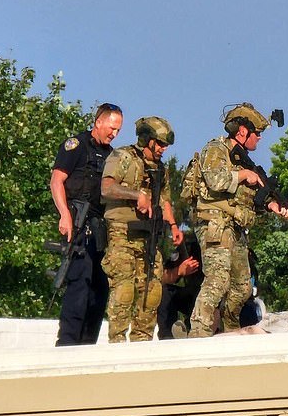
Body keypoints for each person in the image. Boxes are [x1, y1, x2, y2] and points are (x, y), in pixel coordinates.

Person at [188, 102, 288, 338]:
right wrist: (244, 175)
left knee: (243, 287)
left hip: (235, 226)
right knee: (217, 280)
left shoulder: (243, 159)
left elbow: (249, 197)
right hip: (215, 223)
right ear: (242, 132)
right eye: (258, 134)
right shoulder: (216, 149)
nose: (260, 139)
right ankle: (198, 334)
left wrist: (273, 205)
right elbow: (215, 180)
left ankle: (230, 330)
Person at [101, 116, 183, 342]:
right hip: (122, 232)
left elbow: (165, 201)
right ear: (147, 139)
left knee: (151, 291)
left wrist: (174, 226)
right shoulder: (123, 156)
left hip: (150, 235)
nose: (163, 149)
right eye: (161, 143)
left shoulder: (161, 169)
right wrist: (137, 195)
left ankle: (142, 344)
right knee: (124, 290)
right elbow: (106, 188)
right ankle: (116, 343)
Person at [50, 103, 124, 346]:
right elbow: (57, 181)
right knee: (79, 283)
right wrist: (64, 215)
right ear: (99, 122)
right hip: (78, 223)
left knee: (100, 288)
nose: (114, 133)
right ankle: (67, 343)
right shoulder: (76, 146)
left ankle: (87, 344)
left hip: (101, 229)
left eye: (118, 130)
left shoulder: (114, 156)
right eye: (112, 128)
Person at [156, 237, 203, 339]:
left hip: (206, 298)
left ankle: (201, 332)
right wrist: (179, 271)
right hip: (188, 296)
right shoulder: (186, 247)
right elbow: (162, 278)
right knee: (164, 291)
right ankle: (167, 336)